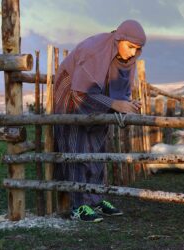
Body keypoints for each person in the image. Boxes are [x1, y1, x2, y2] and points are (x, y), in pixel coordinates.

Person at [53, 20, 146, 222]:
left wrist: (125, 104)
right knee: (76, 146)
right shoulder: (93, 50)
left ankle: (94, 199)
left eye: (137, 49)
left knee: (97, 146)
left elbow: (119, 91)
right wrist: (115, 103)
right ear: (119, 39)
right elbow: (80, 93)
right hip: (73, 94)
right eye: (130, 47)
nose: (132, 53)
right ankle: (78, 206)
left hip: (100, 100)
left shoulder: (127, 59)